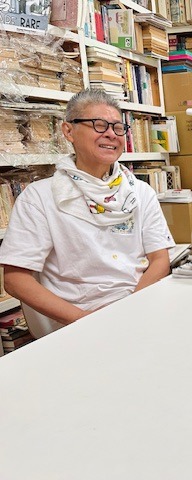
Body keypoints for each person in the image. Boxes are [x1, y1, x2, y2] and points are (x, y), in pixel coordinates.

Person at [0, 89, 175, 337]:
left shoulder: (139, 192)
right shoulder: (39, 197)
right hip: (79, 321)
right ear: (68, 131)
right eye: (99, 125)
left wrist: (132, 309)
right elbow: (15, 279)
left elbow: (160, 259)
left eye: (118, 128)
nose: (111, 134)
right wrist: (86, 321)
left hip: (139, 306)